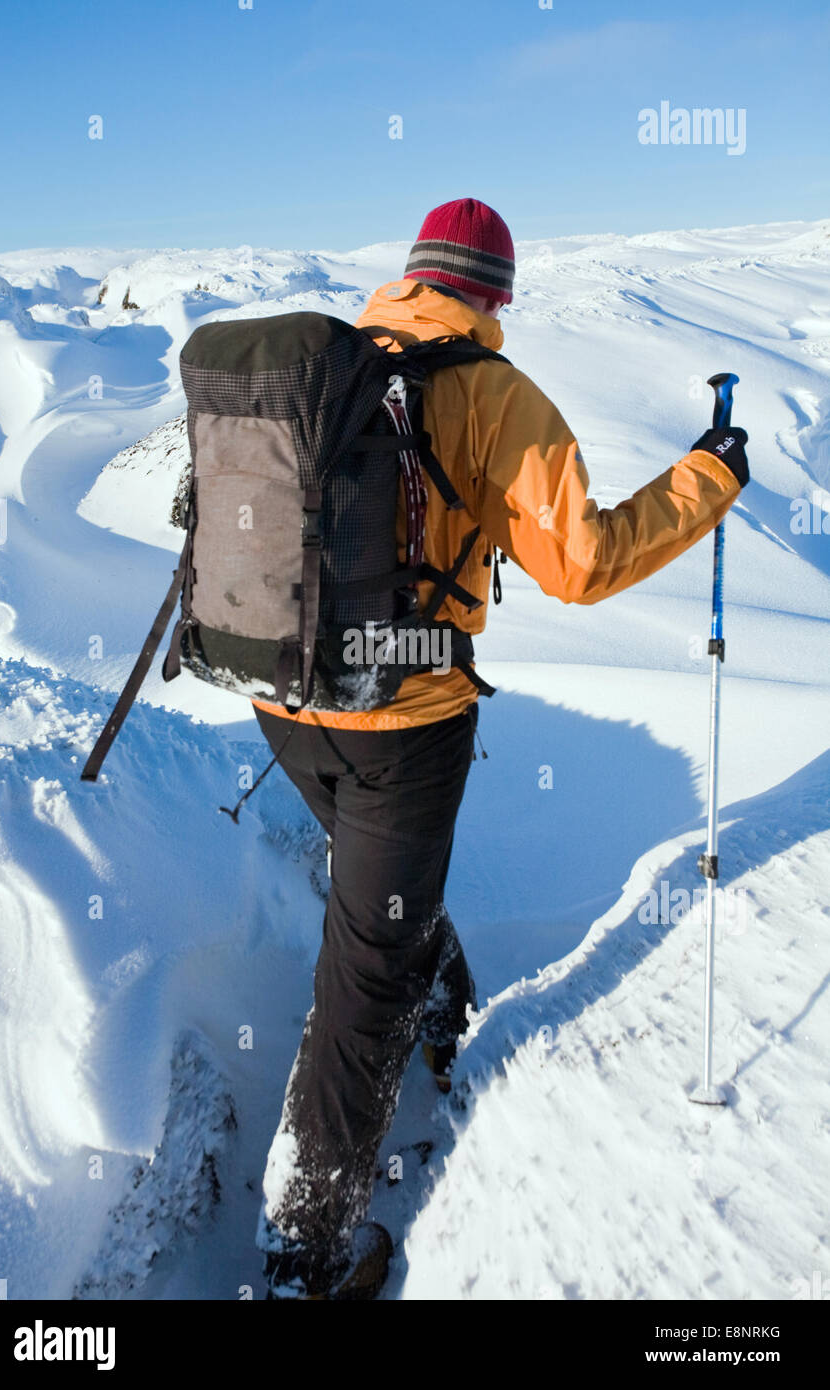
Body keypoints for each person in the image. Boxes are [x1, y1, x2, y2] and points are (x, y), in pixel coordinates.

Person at [250, 197, 749, 1299]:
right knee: (361, 972)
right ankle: (304, 1250)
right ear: (494, 297)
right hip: (403, 725)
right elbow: (580, 565)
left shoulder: (320, 363)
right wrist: (707, 478)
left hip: (280, 702)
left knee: (386, 902)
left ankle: (444, 1011)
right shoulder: (491, 394)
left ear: (412, 273)